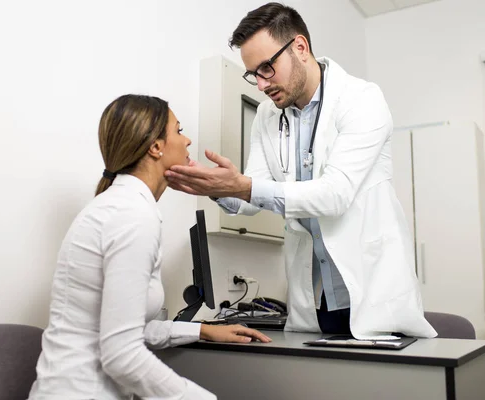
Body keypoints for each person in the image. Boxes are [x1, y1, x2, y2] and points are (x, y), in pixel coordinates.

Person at [165, 3, 437, 340]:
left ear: (300, 47)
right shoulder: (267, 117)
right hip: (314, 296)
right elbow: (253, 199)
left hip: (370, 289)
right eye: (253, 74)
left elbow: (335, 195)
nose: (261, 85)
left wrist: (244, 186)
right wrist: (217, 187)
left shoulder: (361, 100)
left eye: (267, 68)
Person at [27, 94, 271, 400]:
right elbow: (122, 354)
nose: (188, 140)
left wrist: (201, 330)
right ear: (156, 147)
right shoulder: (132, 216)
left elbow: (119, 330)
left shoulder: (119, 206)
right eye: (179, 131)